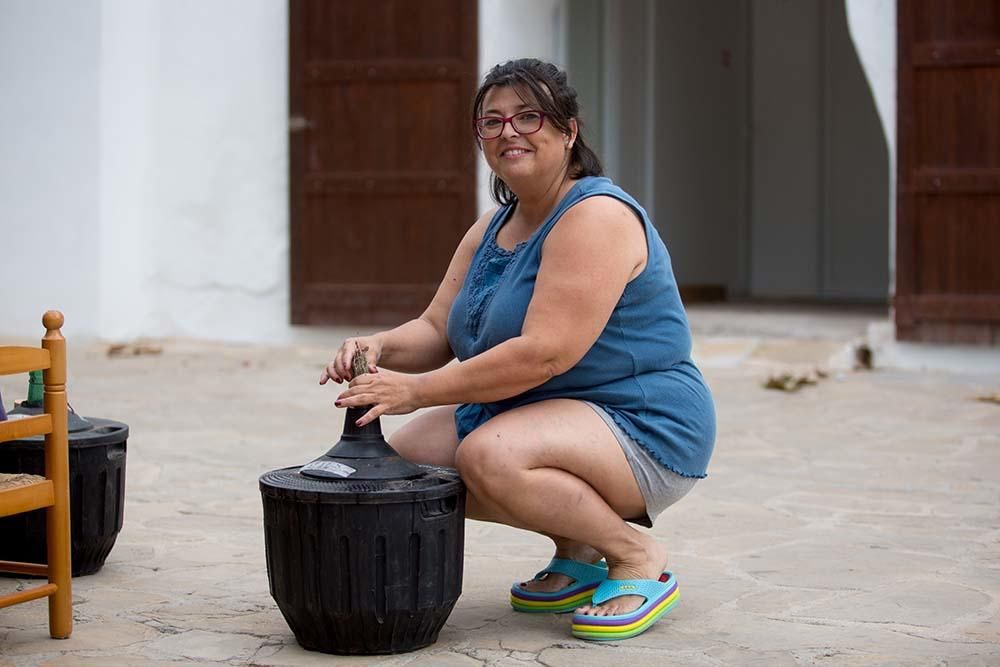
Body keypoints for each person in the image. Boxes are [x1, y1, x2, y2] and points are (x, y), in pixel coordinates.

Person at [320, 58, 715, 641]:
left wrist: (417, 391)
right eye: (492, 121)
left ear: (568, 131)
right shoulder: (493, 226)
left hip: (640, 419)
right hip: (540, 412)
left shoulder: (595, 216)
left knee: (490, 456)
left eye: (529, 117)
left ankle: (633, 554)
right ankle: (576, 546)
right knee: (407, 468)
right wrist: (377, 346)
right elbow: (436, 328)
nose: (509, 132)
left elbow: (543, 356)